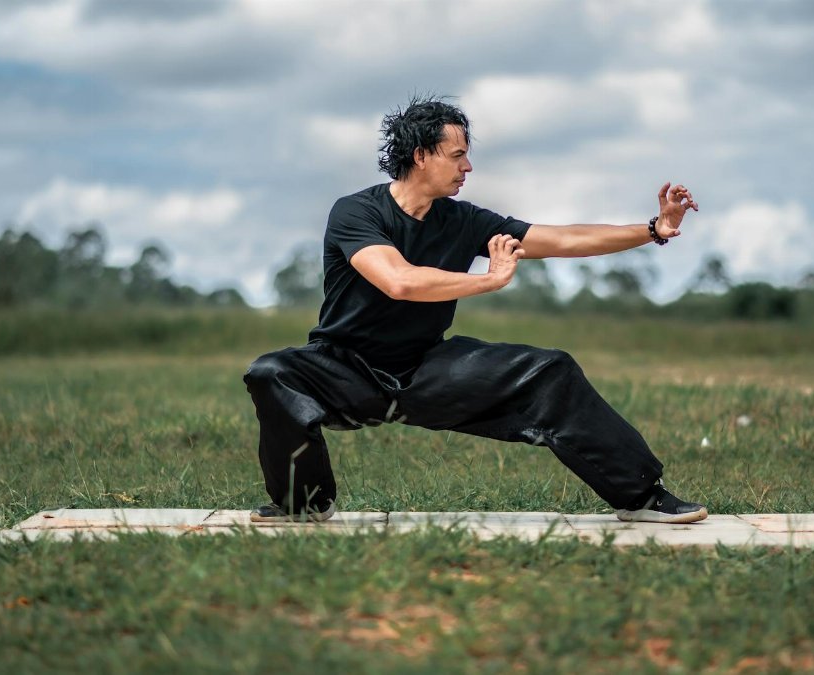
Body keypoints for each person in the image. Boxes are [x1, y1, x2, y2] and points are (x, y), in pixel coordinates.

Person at [244, 95, 706, 524]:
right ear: (421, 156)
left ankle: (643, 498)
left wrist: (653, 229)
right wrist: (489, 279)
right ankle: (304, 503)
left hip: (425, 368)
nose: (468, 167)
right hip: (345, 370)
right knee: (272, 373)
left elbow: (562, 239)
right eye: (457, 155)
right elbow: (399, 281)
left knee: (551, 371)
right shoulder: (356, 212)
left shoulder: (464, 220)